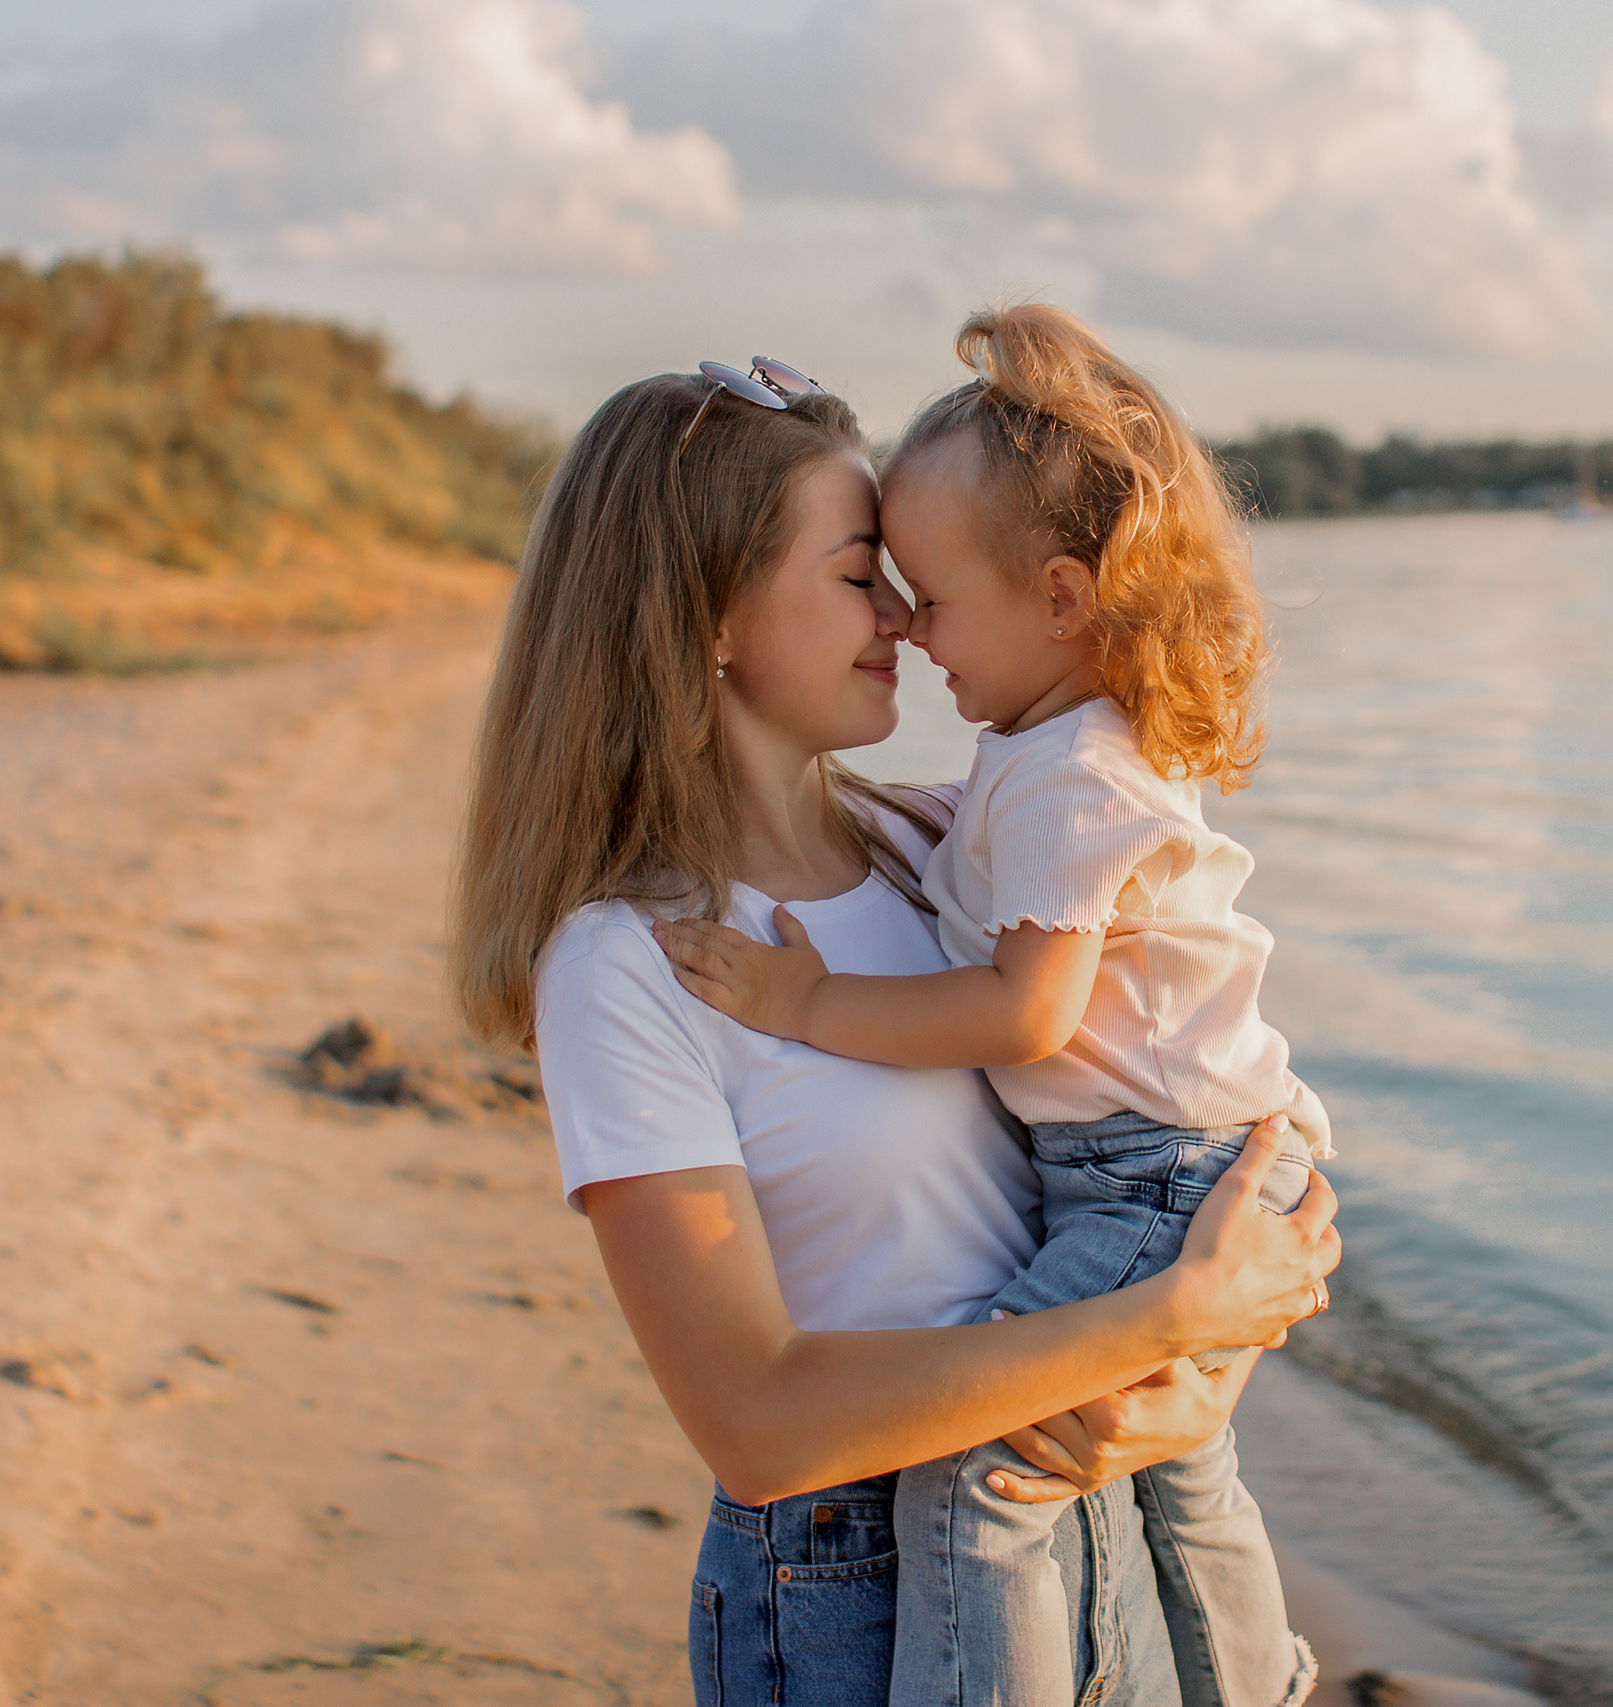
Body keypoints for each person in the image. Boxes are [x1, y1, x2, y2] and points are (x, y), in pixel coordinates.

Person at [449, 356, 1341, 1707]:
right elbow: (757, 1422)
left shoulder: (938, 845)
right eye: (862, 572)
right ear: (708, 616)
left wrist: (1198, 1370)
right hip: (855, 1598)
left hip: (1074, 1539)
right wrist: (1167, 1313)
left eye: (913, 583)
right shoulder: (634, 964)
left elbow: (1176, 1112)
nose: (908, 618)